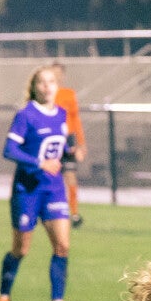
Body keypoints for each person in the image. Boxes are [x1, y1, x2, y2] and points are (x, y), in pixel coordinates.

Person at [0, 65, 82, 301]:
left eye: (51, 82)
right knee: (21, 249)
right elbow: (9, 150)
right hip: (27, 191)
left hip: (53, 189)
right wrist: (38, 163)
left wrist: (71, 150)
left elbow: (62, 145)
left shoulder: (62, 114)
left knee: (63, 246)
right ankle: (3, 298)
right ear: (34, 87)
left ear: (57, 86)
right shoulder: (26, 115)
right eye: (42, 82)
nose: (47, 86)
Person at [47, 61, 87, 226]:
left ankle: (74, 213)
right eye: (53, 72)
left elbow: (75, 118)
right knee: (50, 176)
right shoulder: (46, 95)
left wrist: (81, 144)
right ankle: (50, 211)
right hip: (51, 139)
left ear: (63, 75)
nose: (56, 76)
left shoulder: (69, 94)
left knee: (70, 176)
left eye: (59, 73)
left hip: (68, 139)